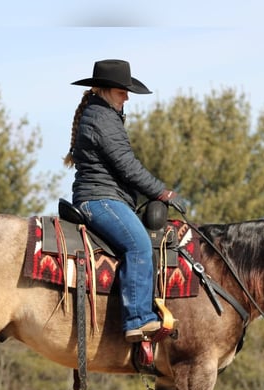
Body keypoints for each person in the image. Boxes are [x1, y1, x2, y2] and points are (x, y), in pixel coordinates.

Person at [64, 59, 185, 343]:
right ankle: (138, 320)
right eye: (122, 92)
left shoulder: (102, 114)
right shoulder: (101, 118)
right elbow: (126, 165)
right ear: (104, 90)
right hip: (100, 199)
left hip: (104, 195)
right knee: (139, 244)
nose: (127, 97)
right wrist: (161, 192)